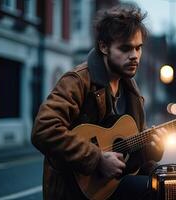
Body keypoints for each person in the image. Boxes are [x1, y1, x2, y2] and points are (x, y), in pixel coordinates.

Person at [31, 3, 166, 200]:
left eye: (138, 48)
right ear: (103, 46)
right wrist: (96, 159)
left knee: (165, 186)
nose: (135, 56)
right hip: (75, 191)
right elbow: (43, 130)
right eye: (125, 48)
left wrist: (153, 149)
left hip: (112, 185)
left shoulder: (131, 90)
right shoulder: (77, 81)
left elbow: (132, 151)